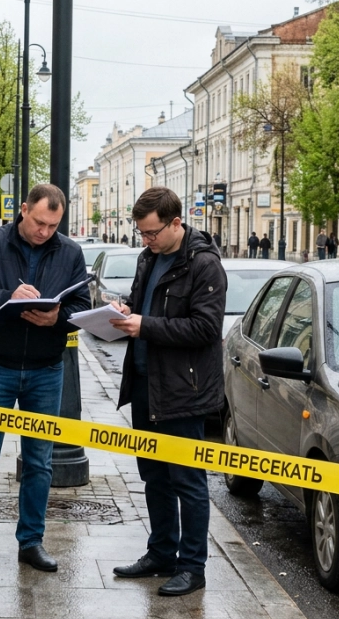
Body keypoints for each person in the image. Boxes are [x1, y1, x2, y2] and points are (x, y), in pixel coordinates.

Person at [0, 183, 89, 578]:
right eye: (40, 222)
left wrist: (56, 318)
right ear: (24, 209)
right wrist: (8, 299)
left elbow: (82, 305)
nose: (45, 231)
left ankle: (31, 541)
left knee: (40, 462)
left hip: (47, 369)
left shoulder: (70, 252)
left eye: (53, 225)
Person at [108, 186, 227, 597]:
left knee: (188, 482)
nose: (146, 240)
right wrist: (124, 310)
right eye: (141, 233)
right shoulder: (148, 257)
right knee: (154, 477)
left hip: (184, 392)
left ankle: (192, 567)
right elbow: (144, 304)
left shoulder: (204, 264)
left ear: (176, 223)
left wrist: (145, 325)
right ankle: (161, 552)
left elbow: (207, 329)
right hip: (145, 385)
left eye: (152, 233)